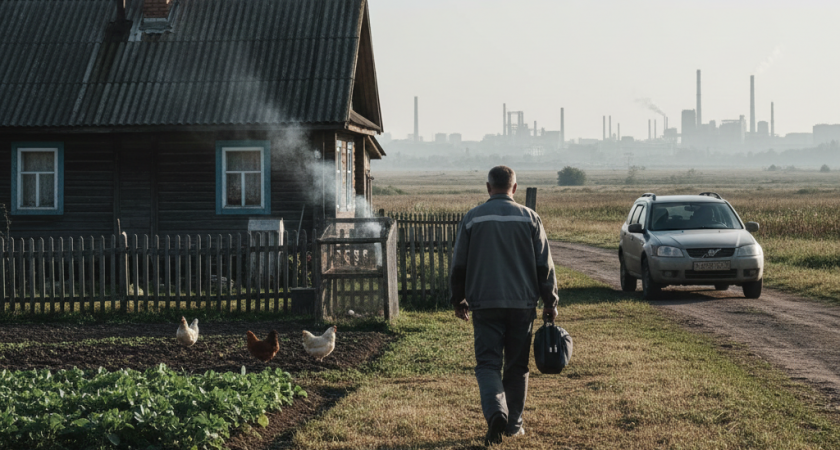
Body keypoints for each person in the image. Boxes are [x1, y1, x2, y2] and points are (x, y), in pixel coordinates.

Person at [450, 165, 559, 446]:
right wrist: (550, 301)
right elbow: (544, 265)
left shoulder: (472, 218)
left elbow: (458, 264)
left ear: (488, 187)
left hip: (484, 304)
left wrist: (458, 298)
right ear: (514, 188)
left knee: (487, 364)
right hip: (522, 304)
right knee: (517, 367)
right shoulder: (530, 218)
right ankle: (513, 425)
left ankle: (496, 412)